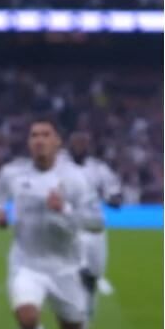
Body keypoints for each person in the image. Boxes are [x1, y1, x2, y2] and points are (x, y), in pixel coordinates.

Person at [0, 117, 104, 329]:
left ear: (57, 143)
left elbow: (97, 223)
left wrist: (64, 209)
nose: (38, 140)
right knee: (27, 319)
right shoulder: (13, 173)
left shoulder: (76, 179)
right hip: (26, 263)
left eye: (46, 135)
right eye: (33, 135)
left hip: (65, 269)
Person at [62, 131, 122, 307]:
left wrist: (111, 198)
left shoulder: (99, 169)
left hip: (96, 230)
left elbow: (116, 196)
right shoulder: (60, 168)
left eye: (84, 143)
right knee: (79, 274)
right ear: (70, 145)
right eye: (77, 143)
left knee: (93, 277)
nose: (81, 147)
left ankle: (87, 311)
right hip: (72, 230)